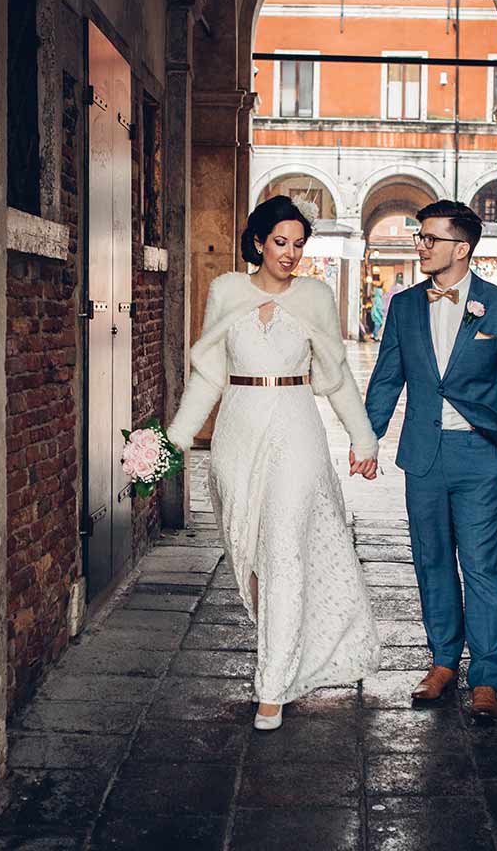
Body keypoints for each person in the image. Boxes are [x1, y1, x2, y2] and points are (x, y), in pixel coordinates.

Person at [167, 196, 381, 731]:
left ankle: (272, 687)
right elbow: (209, 375)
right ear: (259, 241)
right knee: (251, 556)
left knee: (285, 550)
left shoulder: (314, 296)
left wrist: (364, 438)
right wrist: (173, 439)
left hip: (297, 430)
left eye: (299, 245)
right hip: (238, 432)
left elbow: (333, 376)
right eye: (281, 242)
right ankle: (286, 647)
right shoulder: (226, 292)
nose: (291, 254)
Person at [362, 200, 497, 723]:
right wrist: (366, 438)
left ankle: (486, 675)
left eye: (430, 238)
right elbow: (388, 378)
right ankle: (442, 663)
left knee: (482, 568)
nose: (420, 245)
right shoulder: (404, 305)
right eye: (419, 236)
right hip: (424, 457)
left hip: (480, 456)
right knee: (431, 561)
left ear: (461, 249)